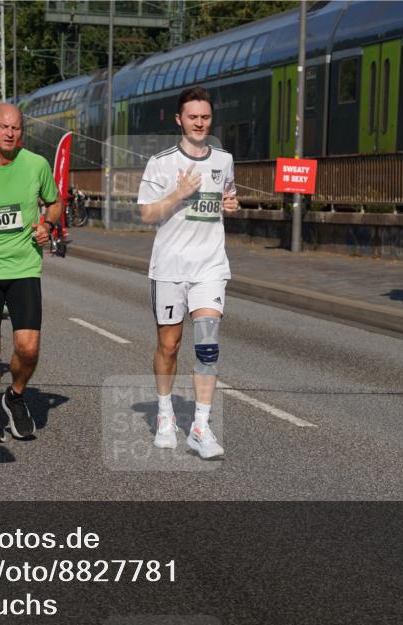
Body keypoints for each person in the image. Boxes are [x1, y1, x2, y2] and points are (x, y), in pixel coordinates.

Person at [137, 86, 238, 461]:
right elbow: (147, 213)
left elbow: (227, 195)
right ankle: (165, 416)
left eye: (205, 117)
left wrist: (230, 204)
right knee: (169, 345)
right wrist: (178, 193)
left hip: (210, 266)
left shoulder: (224, 159)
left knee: (208, 346)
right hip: (169, 267)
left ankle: (200, 427)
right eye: (193, 117)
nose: (199, 123)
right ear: (179, 119)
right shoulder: (161, 162)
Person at [0, 103, 60, 443]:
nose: (10, 133)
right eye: (4, 127)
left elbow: (54, 201)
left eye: (16, 128)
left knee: (28, 348)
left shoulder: (36, 165)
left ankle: (15, 396)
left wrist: (47, 225)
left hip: (24, 266)